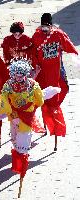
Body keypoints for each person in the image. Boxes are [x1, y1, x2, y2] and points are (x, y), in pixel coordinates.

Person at [32, 13, 79, 149]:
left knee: (56, 98)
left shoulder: (58, 34)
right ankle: (47, 123)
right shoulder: (36, 36)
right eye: (43, 26)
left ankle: (55, 126)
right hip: (42, 73)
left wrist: (75, 54)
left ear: (51, 25)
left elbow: (68, 45)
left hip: (56, 72)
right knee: (43, 99)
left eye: (47, 26)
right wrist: (36, 64)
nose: (44, 29)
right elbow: (33, 52)